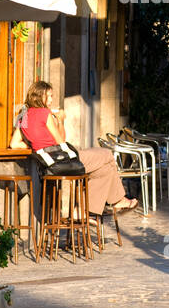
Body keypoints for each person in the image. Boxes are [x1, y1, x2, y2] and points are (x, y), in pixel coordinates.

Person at [15, 81, 137, 216]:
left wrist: (34, 145)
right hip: (63, 160)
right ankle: (116, 201)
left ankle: (84, 210)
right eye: (49, 96)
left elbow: (14, 144)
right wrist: (60, 120)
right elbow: (60, 141)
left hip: (48, 163)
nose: (51, 100)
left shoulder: (22, 116)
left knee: (104, 169)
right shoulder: (44, 113)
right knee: (107, 154)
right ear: (39, 96)